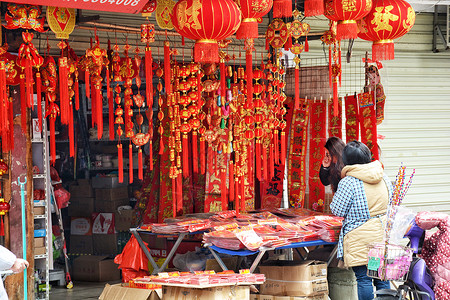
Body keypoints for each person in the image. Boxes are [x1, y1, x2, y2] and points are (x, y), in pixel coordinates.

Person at [330, 141, 393, 300]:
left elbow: (337, 210)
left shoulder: (349, 182)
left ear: (346, 160)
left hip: (360, 240)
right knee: (380, 276)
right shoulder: (383, 177)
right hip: (380, 236)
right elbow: (392, 203)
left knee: (364, 278)